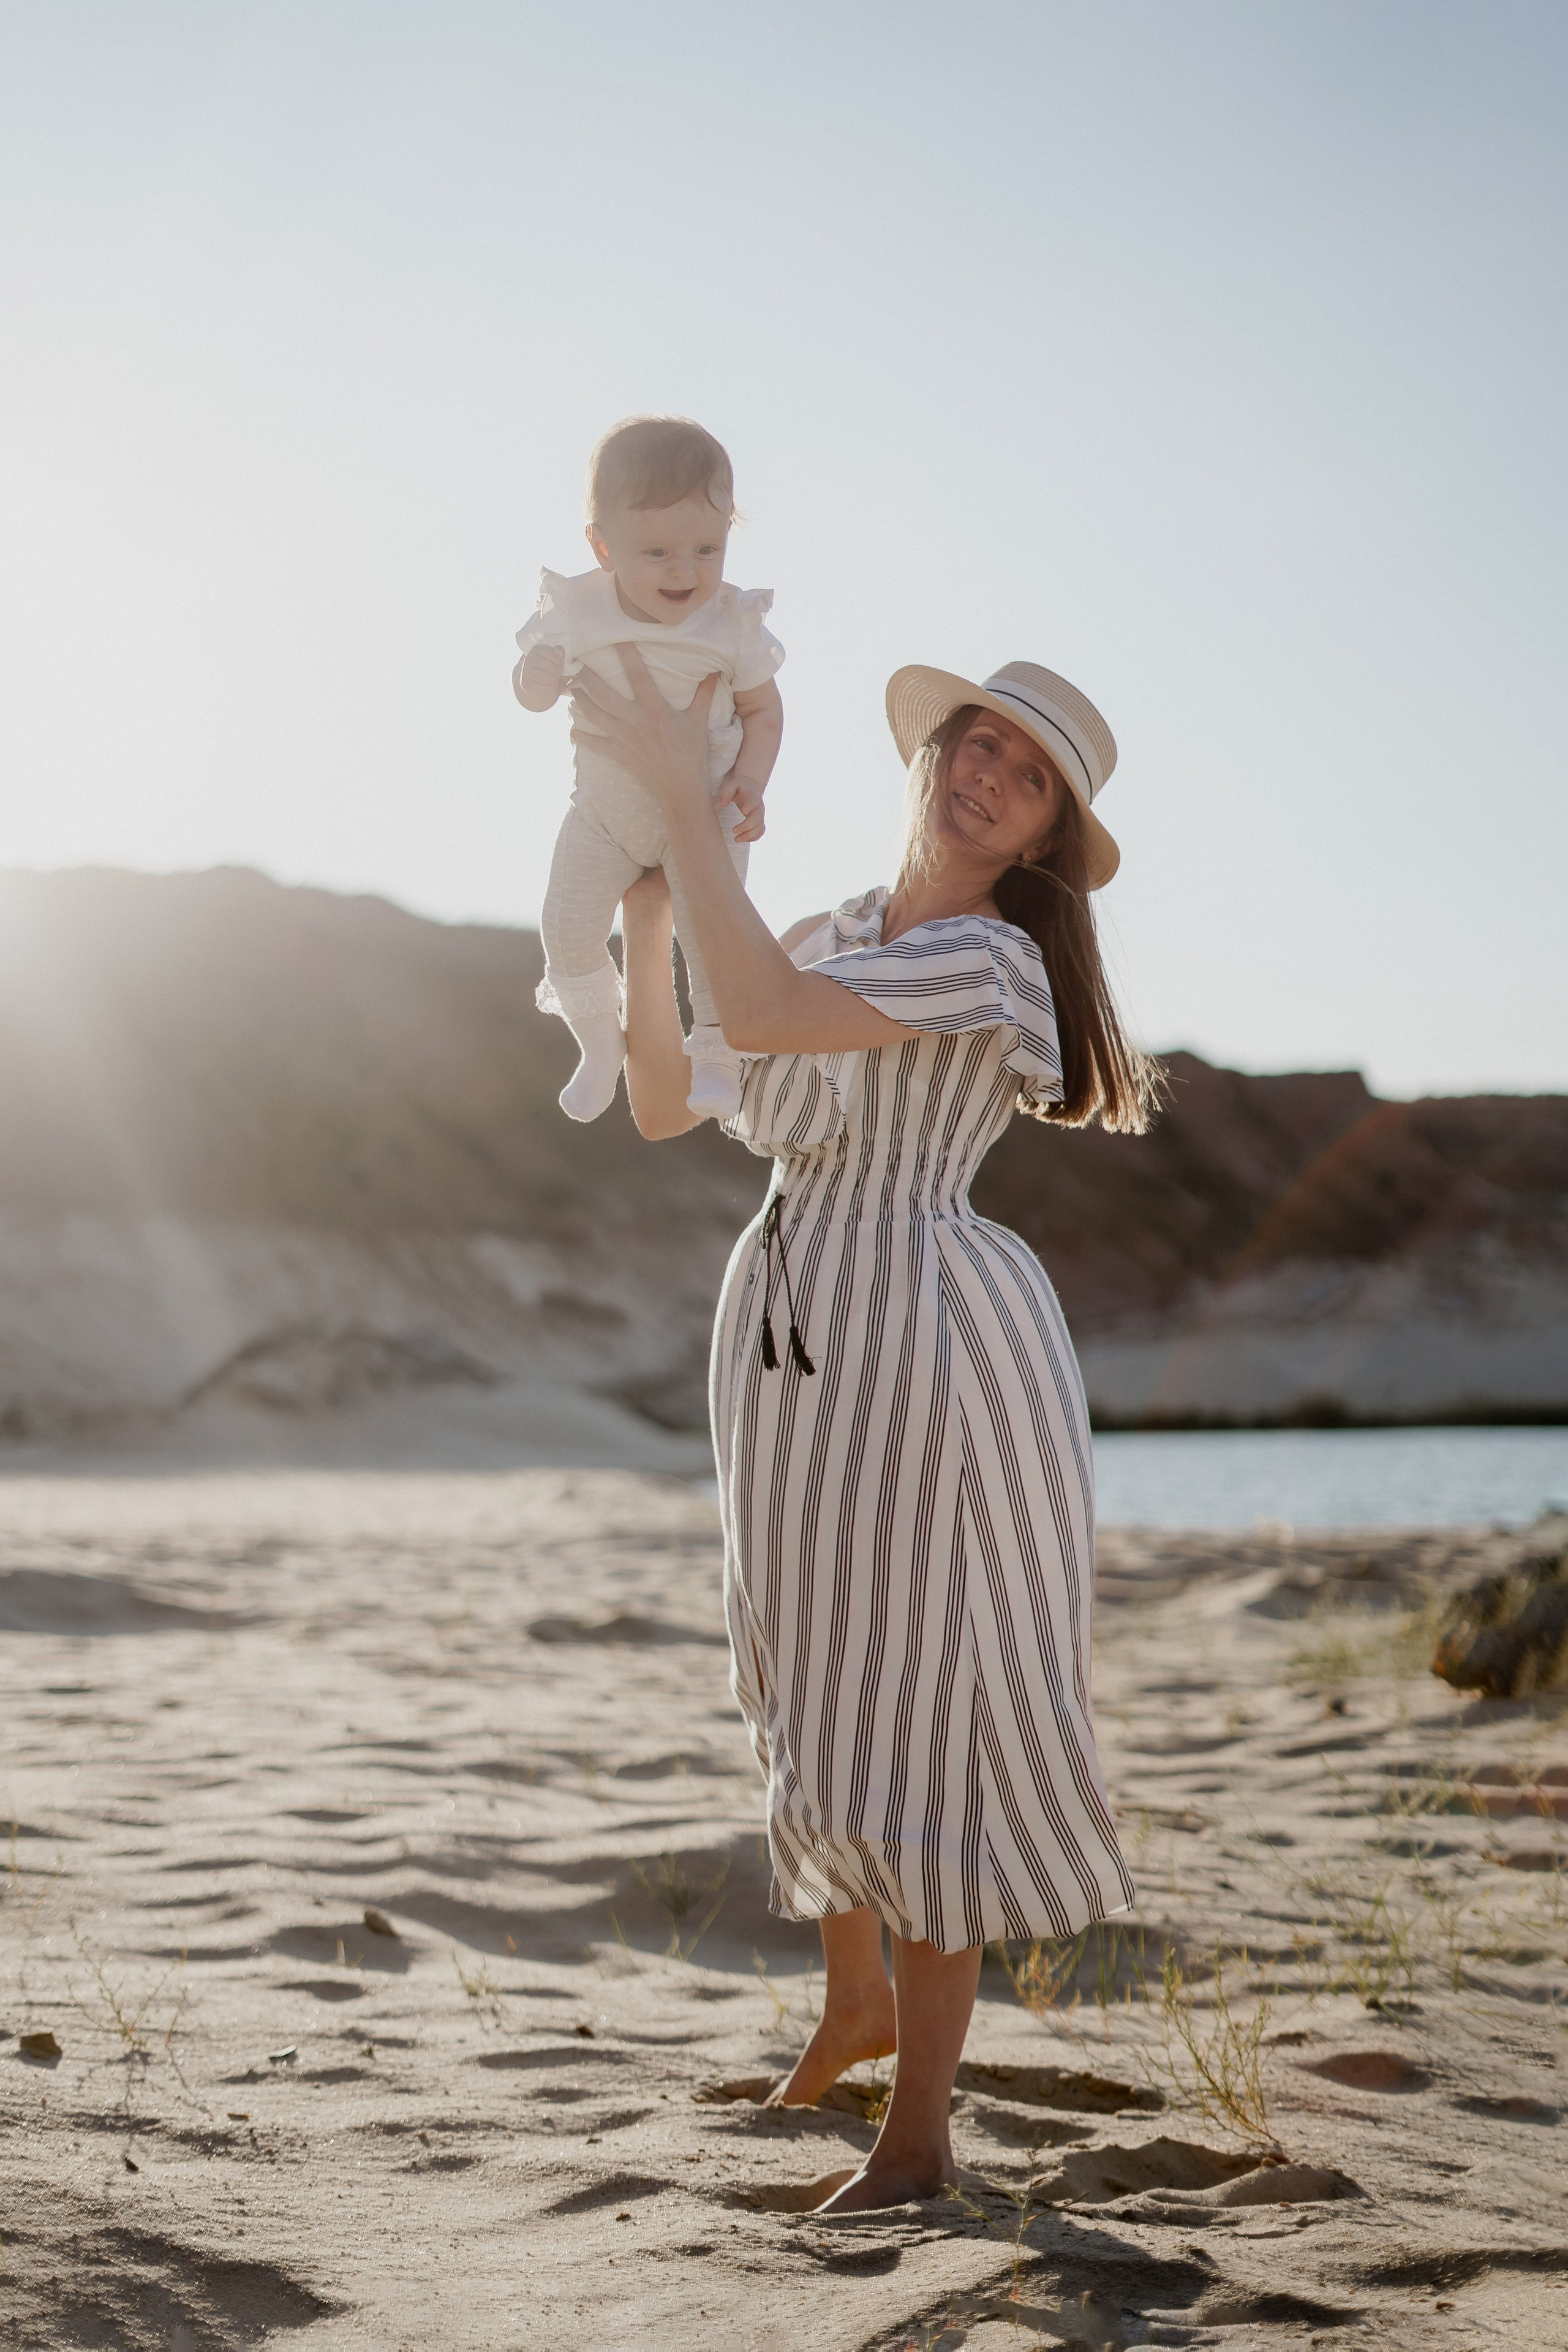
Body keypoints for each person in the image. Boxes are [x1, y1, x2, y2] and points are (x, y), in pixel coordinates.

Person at [578, 645, 1156, 2214]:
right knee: (803, 1657)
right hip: (777, 1320)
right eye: (972, 739)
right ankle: (851, 2001)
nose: (980, 769)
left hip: (920, 1321)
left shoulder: (989, 963)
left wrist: (692, 810)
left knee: (925, 1684)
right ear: (929, 754)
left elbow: (756, 1003)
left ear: (1040, 836)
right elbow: (660, 1097)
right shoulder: (839, 927)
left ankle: (919, 2134)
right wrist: (639, 909)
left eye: (1021, 771)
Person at [513, 415, 785, 1122]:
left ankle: (718, 1056)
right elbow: (532, 696)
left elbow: (764, 712)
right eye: (657, 550)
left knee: (711, 936)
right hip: (603, 814)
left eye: (707, 548)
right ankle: (600, 1045)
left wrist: (750, 782)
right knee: (566, 927)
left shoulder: (730, 623)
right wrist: (537, 675)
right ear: (602, 547)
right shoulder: (577, 610)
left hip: (705, 809)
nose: (684, 571)